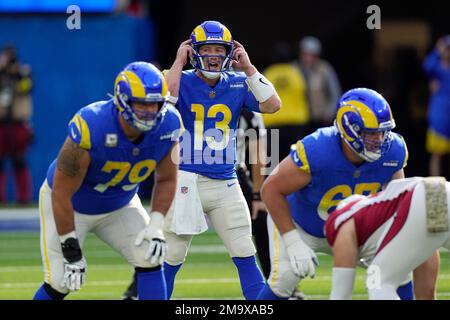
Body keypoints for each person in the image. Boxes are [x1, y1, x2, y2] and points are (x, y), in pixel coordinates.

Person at [256, 87, 438, 300]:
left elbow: (396, 202)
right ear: (349, 128)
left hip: (356, 228)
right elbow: (271, 189)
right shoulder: (318, 149)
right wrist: (292, 239)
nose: (379, 139)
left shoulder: (393, 151)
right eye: (370, 132)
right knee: (284, 279)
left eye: (382, 131)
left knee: (399, 270)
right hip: (303, 226)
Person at [32, 62, 182, 300]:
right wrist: (71, 249)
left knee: (151, 254)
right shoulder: (93, 124)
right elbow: (61, 193)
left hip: (119, 203)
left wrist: (155, 224)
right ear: (122, 100)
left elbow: (166, 180)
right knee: (62, 280)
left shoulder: (169, 125)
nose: (149, 111)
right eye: (141, 104)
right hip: (71, 206)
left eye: (154, 103)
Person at [162, 20, 281, 300]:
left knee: (244, 250)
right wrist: (179, 61)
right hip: (186, 178)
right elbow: (165, 100)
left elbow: (273, 105)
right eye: (208, 48)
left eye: (219, 48)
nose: (214, 55)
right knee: (173, 254)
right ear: (194, 51)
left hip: (225, 181)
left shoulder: (239, 82)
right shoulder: (179, 77)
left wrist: (250, 69)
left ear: (229, 52)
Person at [327, 176, 450, 300]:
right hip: (439, 188)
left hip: (422, 194)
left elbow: (340, 294)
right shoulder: (390, 215)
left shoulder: (342, 220)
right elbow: (426, 293)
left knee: (378, 282)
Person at [236, 108, 271, 279]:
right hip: (192, 173)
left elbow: (258, 154)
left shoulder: (248, 111)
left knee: (262, 220)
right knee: (168, 229)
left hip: (232, 173)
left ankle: (277, 282)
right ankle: (144, 286)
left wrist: (258, 195)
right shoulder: (193, 96)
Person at [262, 42, 311, 160]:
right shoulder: (296, 73)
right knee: (296, 160)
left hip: (273, 123)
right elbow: (305, 94)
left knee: (273, 162)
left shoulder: (268, 74)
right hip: (296, 123)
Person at [0, 44, 33, 204]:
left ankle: (24, 197)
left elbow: (26, 88)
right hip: (1, 122)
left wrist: (17, 74)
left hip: (18, 123)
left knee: (19, 160)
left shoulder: (23, 72)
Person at [296, 36, 342, 132]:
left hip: (321, 119)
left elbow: (335, 93)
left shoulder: (325, 69)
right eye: (305, 54)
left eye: (312, 55)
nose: (308, 58)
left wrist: (328, 114)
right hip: (300, 120)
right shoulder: (294, 69)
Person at [423, 35, 450, 177]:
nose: (448, 52)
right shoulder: (437, 69)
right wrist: (437, 50)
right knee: (437, 154)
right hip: (440, 116)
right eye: (446, 49)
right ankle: (435, 186)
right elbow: (426, 66)